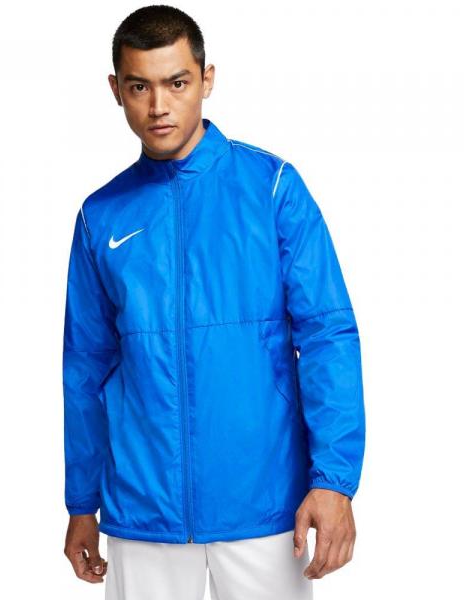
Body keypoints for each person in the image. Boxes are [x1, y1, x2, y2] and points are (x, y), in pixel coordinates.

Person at [62, 5, 366, 599]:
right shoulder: (102, 215)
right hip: (143, 509)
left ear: (206, 80)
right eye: (139, 87)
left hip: (265, 505)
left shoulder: (272, 188)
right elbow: (85, 368)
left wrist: (334, 481)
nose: (159, 105)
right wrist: (81, 501)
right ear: (116, 90)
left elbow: (328, 336)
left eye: (176, 83)